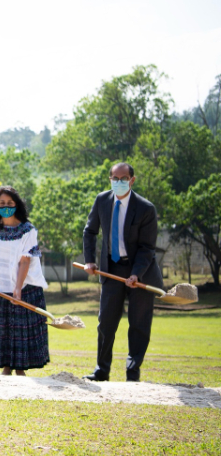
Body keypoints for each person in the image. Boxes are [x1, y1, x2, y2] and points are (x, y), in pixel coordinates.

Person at [82, 162, 162, 382]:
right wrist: (89, 261)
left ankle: (132, 373)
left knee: (139, 324)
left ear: (132, 180)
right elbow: (90, 232)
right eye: (114, 178)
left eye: (123, 178)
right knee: (106, 322)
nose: (118, 182)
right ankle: (101, 370)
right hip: (111, 269)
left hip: (141, 270)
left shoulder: (146, 208)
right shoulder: (101, 201)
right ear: (110, 180)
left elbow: (147, 248)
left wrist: (136, 273)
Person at [0, 186, 50, 376]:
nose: (6, 206)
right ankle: (6, 368)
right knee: (3, 329)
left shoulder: (28, 230)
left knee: (20, 331)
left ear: (16, 205)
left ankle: (20, 370)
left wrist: (17, 289)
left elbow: (25, 260)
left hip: (25, 287)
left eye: (10, 203)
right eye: (2, 203)